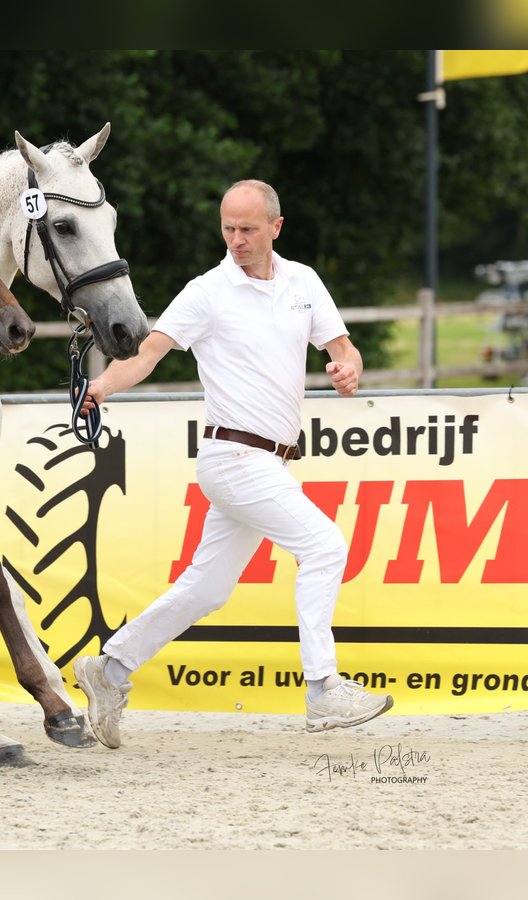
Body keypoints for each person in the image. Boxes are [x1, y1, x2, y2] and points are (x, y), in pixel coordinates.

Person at [72, 179, 393, 748]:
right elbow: (150, 352)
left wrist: (349, 368)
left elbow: (342, 349)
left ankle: (111, 669)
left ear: (276, 226)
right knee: (325, 547)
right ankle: (323, 689)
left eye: (247, 229)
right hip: (234, 456)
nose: (237, 239)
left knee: (207, 588)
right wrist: (101, 387)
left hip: (268, 461)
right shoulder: (206, 291)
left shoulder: (304, 283)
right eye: (228, 228)